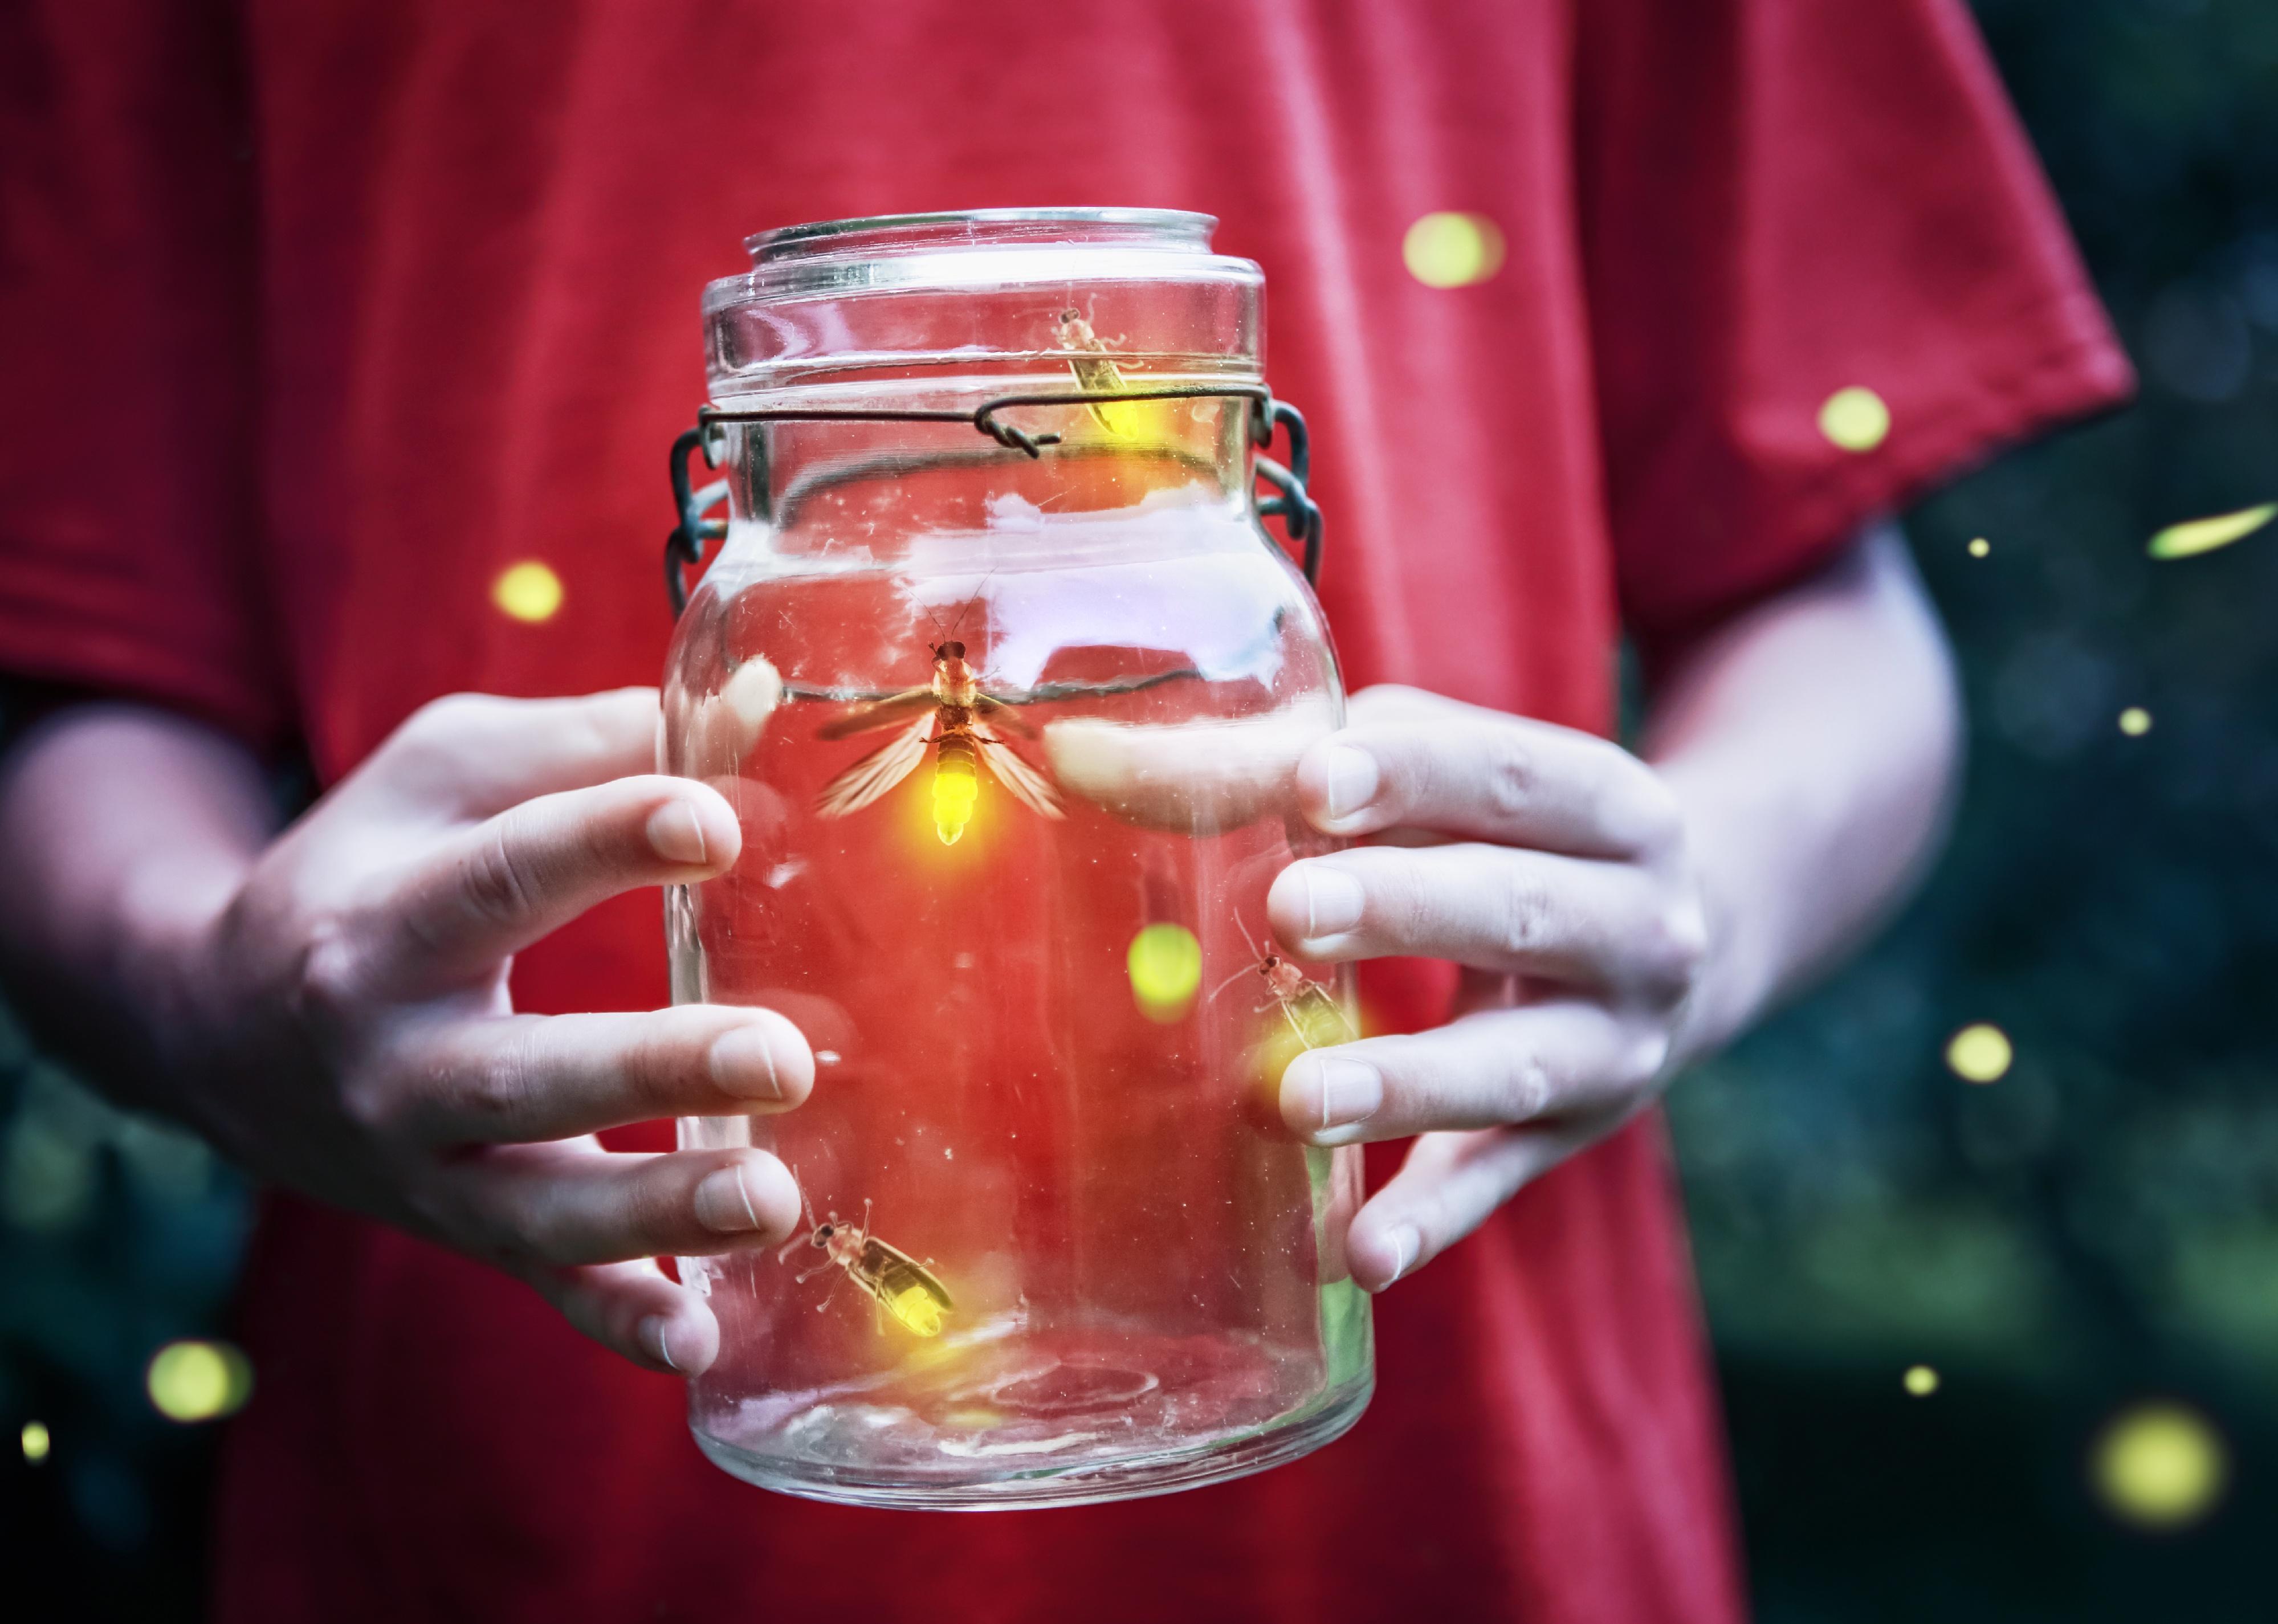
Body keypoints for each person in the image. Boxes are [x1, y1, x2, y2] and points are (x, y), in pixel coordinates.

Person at [0, 1, 2129, 1619]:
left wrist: (1719, 891)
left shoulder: (1218, 569)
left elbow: (1836, 620)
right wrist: (202, 987)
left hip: (1478, 1521)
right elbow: (79, 680)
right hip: (488, 1503)